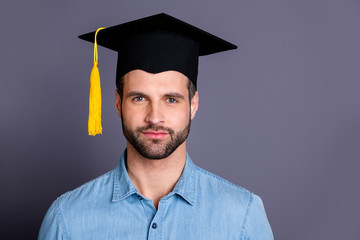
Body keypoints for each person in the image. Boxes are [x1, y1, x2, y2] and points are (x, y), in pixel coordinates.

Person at [38, 13, 274, 239]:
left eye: (171, 100)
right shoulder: (68, 218)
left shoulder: (242, 216)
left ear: (193, 105)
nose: (155, 117)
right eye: (139, 98)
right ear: (118, 104)